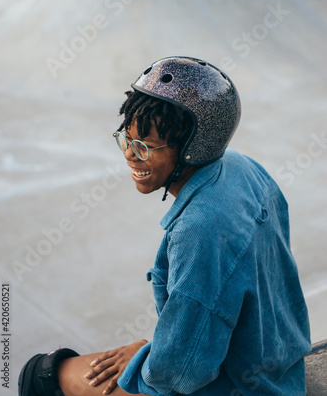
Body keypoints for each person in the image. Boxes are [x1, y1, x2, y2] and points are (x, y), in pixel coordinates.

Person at [19, 56, 311, 396]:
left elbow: (180, 374)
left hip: (239, 387)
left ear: (192, 148)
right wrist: (153, 347)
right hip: (278, 367)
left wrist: (145, 357)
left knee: (41, 373)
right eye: (126, 139)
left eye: (145, 146)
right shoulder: (244, 168)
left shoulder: (200, 231)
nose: (130, 154)